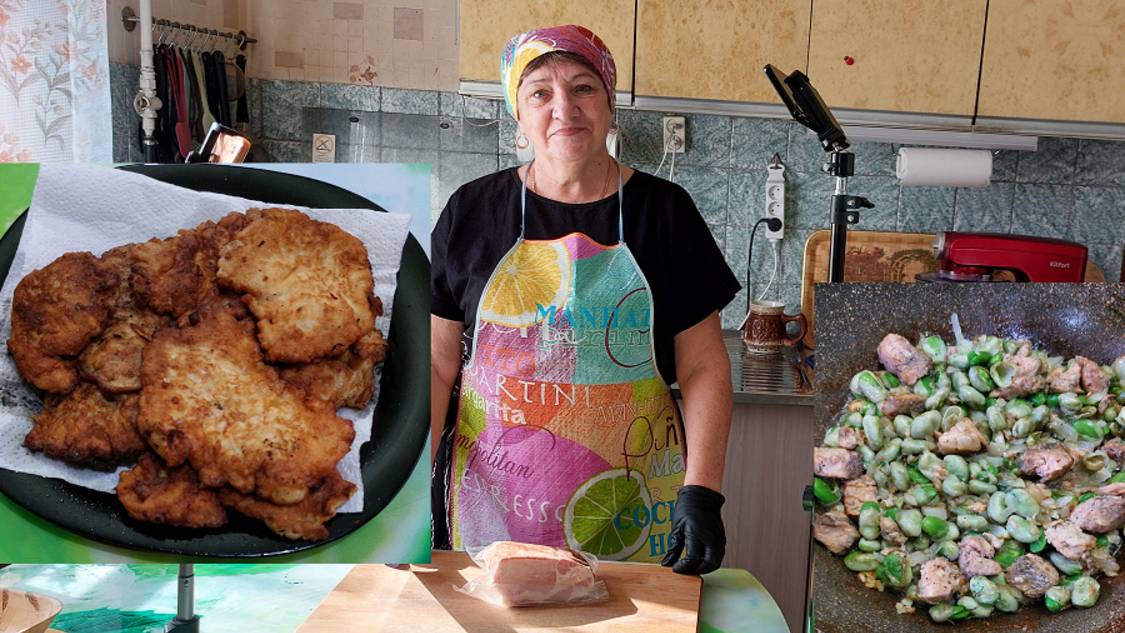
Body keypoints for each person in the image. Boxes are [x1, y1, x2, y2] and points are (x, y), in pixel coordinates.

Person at [431, 24, 740, 575]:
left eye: (583, 88)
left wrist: (703, 493)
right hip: (491, 501)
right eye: (540, 93)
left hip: (630, 499)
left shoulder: (665, 212)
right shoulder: (472, 211)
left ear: (609, 103)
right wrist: (408, 488)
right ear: (518, 114)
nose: (564, 109)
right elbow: (437, 363)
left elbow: (703, 366)